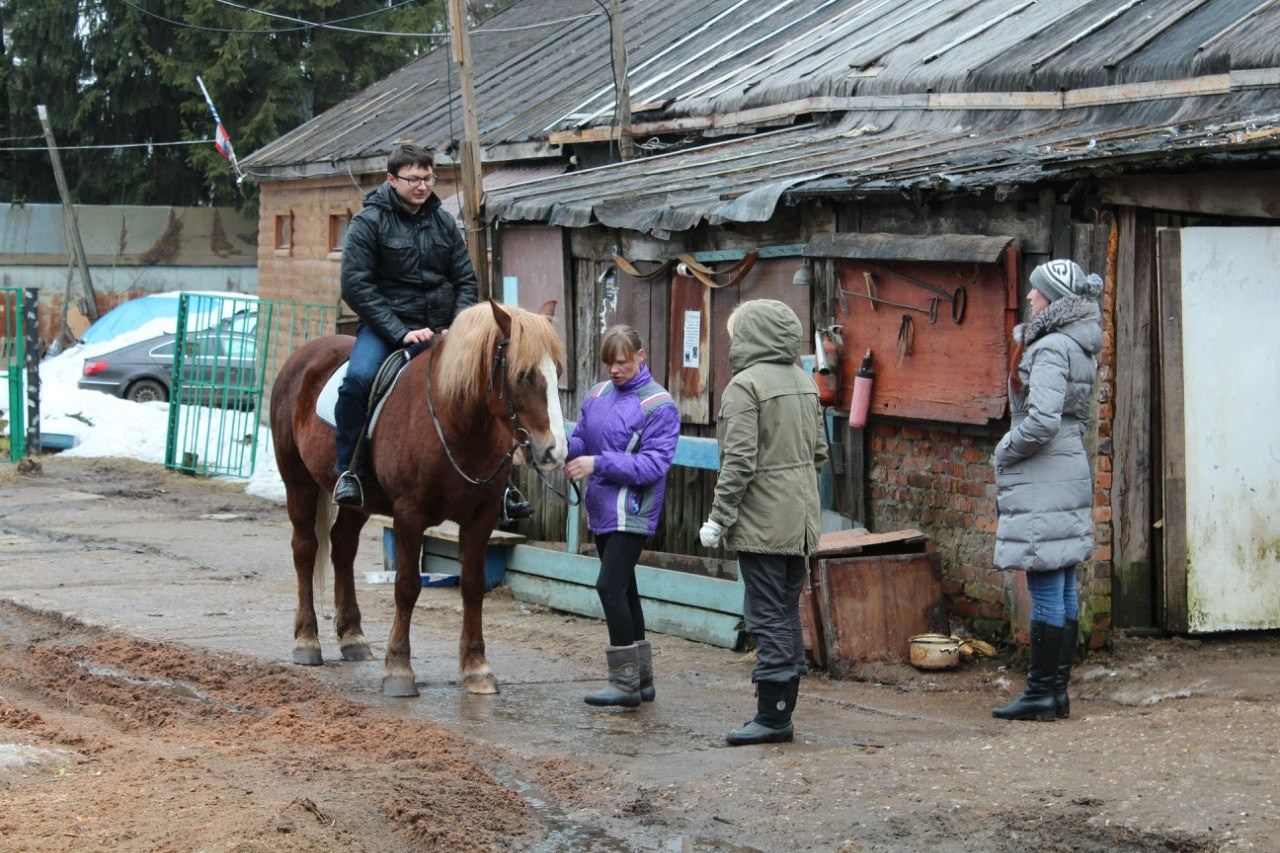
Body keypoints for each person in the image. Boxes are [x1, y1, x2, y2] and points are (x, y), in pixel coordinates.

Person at [698, 299, 827, 745]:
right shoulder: (805, 383)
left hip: (764, 522)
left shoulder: (744, 386)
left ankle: (772, 718)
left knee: (766, 613)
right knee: (785, 610)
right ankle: (780, 709)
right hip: (802, 521)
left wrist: (718, 519)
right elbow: (820, 455)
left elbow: (737, 463)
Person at [333, 143, 478, 506]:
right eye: (413, 179)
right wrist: (400, 331)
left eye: (428, 177)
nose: (422, 186)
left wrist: (457, 329)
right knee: (357, 381)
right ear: (391, 179)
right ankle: (348, 470)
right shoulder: (368, 222)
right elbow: (356, 286)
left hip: (443, 328)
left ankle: (499, 485)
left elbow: (466, 281)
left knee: (486, 384)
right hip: (386, 328)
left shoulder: (444, 221)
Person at [992, 258, 1104, 722]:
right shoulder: (1077, 343)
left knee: (1045, 580)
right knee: (1062, 577)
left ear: (1054, 299)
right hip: (1067, 464)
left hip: (1043, 472)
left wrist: (1005, 448)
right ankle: (1056, 692)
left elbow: (1040, 421)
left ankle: (1041, 692)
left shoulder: (1052, 347)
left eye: (1037, 292)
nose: (1030, 298)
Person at [565, 326, 680, 708]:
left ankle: (623, 684)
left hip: (632, 510)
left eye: (622, 362)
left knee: (609, 586)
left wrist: (596, 462)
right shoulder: (597, 394)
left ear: (640, 355)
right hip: (600, 507)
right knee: (626, 590)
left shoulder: (659, 405)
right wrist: (561, 447)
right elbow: (582, 437)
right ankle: (642, 681)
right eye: (609, 363)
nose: (614, 370)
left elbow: (654, 464)